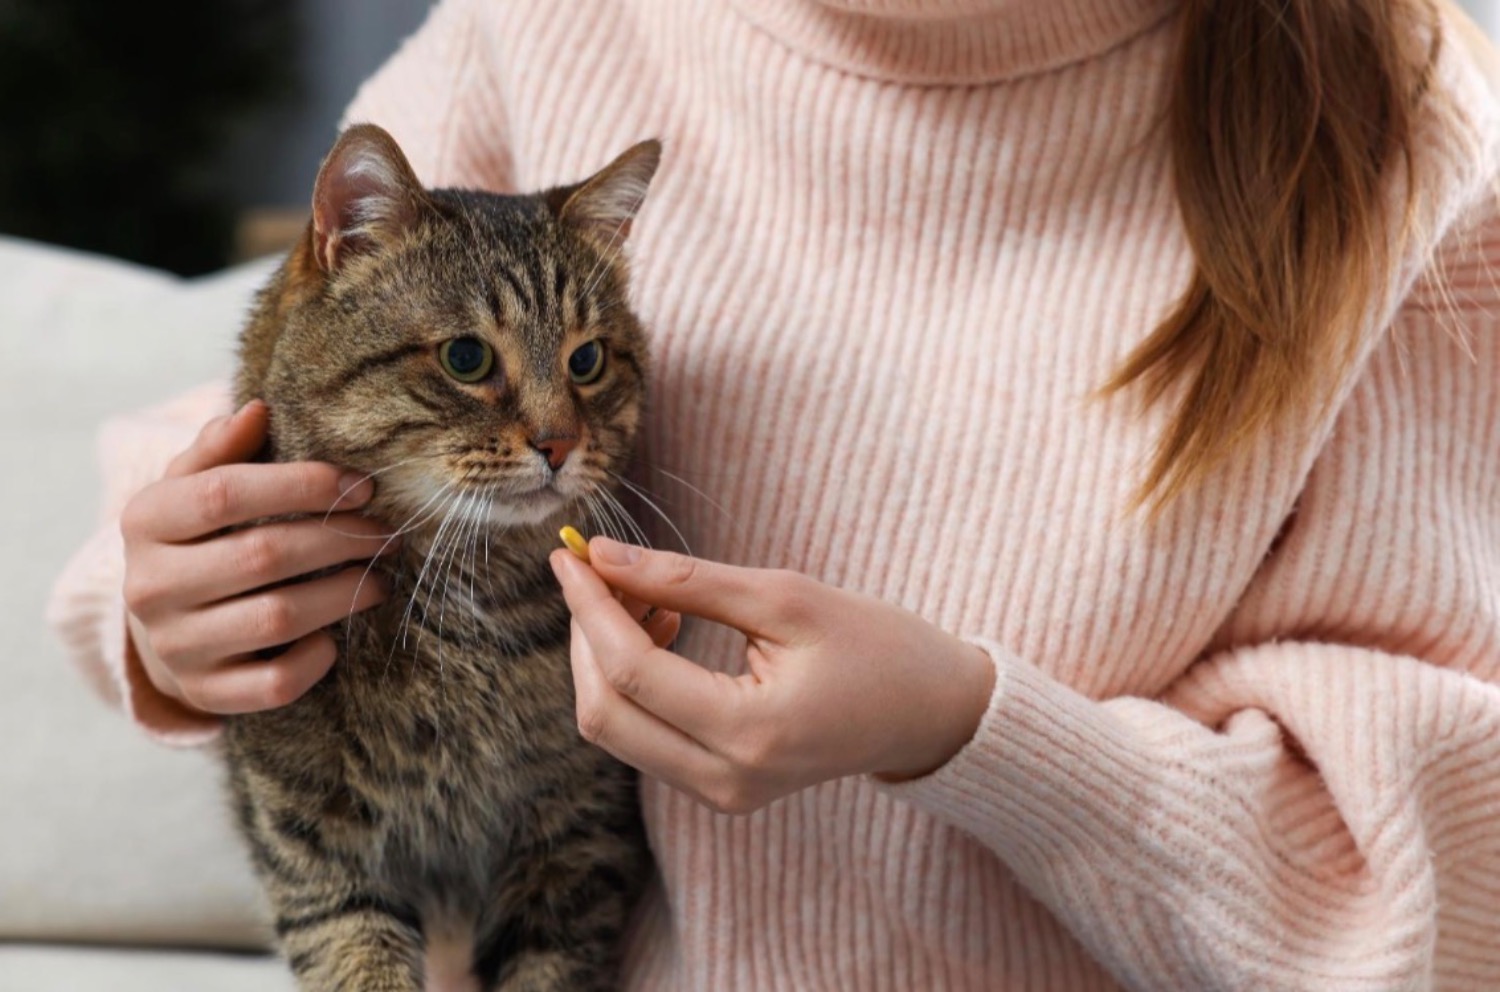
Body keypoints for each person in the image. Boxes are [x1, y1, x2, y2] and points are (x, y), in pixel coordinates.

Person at [47, 0, 1500, 988]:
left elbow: (1449, 882)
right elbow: (284, 381)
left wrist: (971, 733)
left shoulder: (1412, 128)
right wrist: (171, 601)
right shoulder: (556, 25)